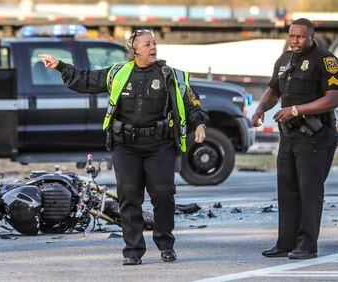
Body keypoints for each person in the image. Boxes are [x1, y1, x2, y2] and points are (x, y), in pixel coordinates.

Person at [39, 30, 209, 265]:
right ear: (135, 50)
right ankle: (133, 250)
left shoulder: (171, 76)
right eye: (148, 44)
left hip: (159, 145)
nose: (154, 47)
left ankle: (165, 244)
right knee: (129, 197)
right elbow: (85, 79)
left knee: (163, 194)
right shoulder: (118, 73)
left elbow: (192, 103)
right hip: (126, 146)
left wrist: (199, 123)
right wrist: (60, 66)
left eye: (155, 43)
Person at [251, 18, 338, 260]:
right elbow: (274, 89)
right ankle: (285, 242)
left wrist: (297, 110)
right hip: (289, 136)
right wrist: (260, 110)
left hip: (315, 137)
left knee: (309, 193)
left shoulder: (326, 60)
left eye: (300, 37)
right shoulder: (285, 59)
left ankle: (307, 245)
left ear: (312, 36)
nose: (295, 41)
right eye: (292, 36)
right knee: (287, 191)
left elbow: (333, 98)